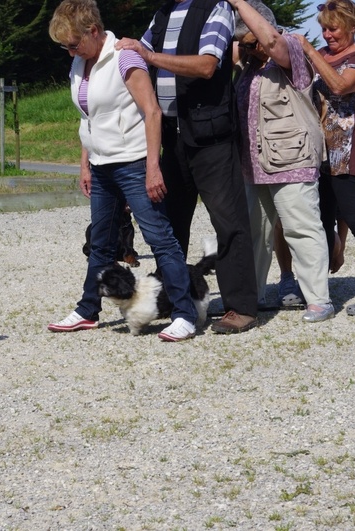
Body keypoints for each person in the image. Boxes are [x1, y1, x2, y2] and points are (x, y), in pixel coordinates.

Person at [46, 0, 200, 341]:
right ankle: (87, 310)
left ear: (94, 31)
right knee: (100, 244)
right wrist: (85, 163)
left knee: (161, 240)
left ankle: (185, 313)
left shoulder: (124, 57)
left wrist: (152, 167)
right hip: (101, 167)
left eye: (73, 44)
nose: (70, 53)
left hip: (132, 163)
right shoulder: (80, 63)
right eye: (65, 47)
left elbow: (153, 112)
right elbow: (88, 116)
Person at [115, 0, 259, 334]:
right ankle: (174, 297)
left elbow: (208, 65)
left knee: (229, 222)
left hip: (212, 138)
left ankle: (241, 307)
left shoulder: (215, 8)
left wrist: (148, 57)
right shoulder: (162, 13)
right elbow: (136, 51)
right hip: (172, 137)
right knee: (170, 225)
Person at [229, 0, 333, 322]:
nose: (248, 48)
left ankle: (319, 300)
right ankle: (254, 296)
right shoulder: (249, 67)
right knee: (255, 234)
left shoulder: (291, 52)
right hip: (254, 166)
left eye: (251, 40)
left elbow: (272, 42)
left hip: (292, 161)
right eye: (243, 43)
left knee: (302, 229)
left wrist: (237, 2)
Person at [295, 0, 355, 316]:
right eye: (323, 28)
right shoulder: (322, 55)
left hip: (347, 150)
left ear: (351, 27)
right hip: (317, 151)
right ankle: (319, 291)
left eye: (332, 28)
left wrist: (309, 50)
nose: (327, 34)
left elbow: (340, 86)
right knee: (319, 220)